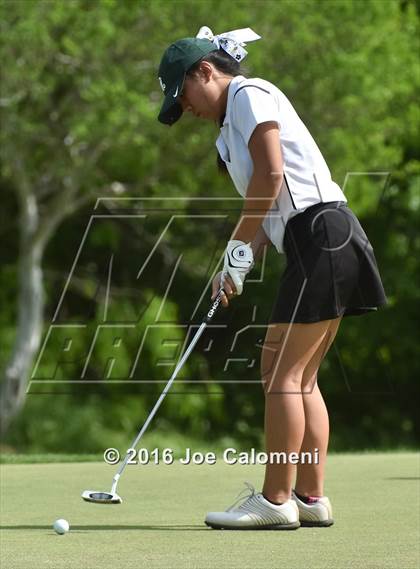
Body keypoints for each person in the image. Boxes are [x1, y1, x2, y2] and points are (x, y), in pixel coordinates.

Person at [157, 26, 387, 530]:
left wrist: (236, 244)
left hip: (323, 232)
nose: (187, 109)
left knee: (283, 374)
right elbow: (269, 213)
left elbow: (273, 175)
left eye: (185, 95)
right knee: (295, 376)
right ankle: (309, 498)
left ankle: (276, 500)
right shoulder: (227, 129)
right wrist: (236, 264)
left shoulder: (248, 93)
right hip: (320, 238)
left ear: (206, 71)